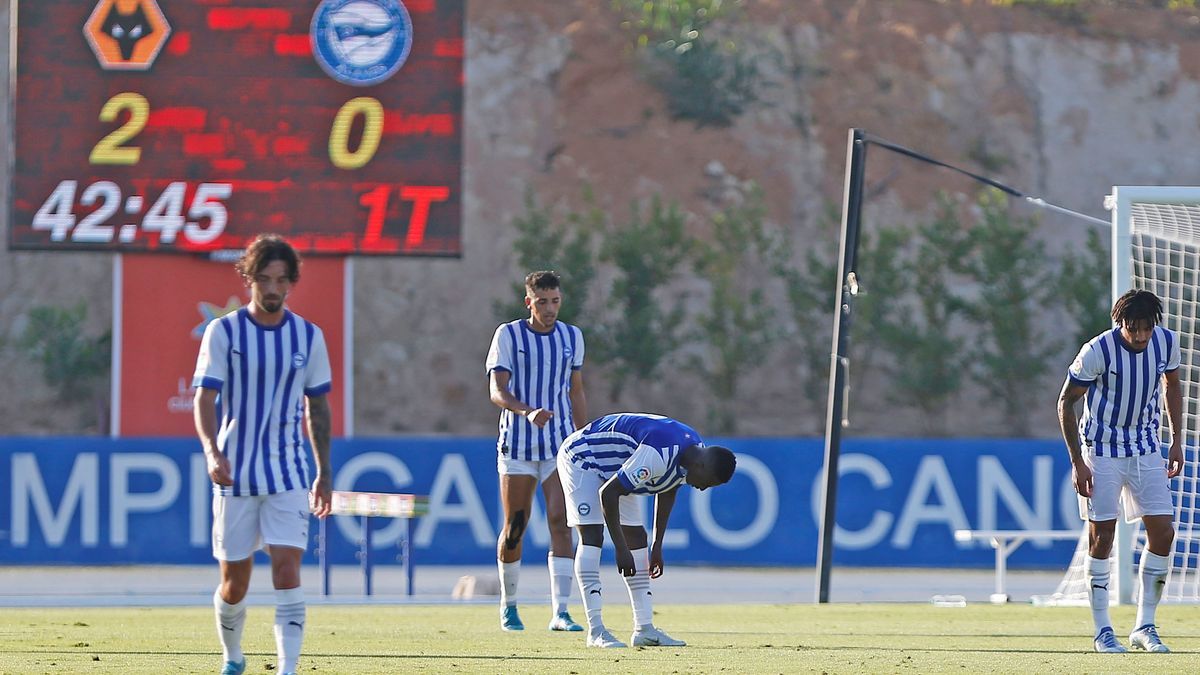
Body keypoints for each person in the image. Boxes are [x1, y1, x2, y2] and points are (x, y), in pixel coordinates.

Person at [193, 234, 333, 675]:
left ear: (291, 282)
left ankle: (287, 668)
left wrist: (324, 471)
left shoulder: (309, 337)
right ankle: (233, 657)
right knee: (234, 585)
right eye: (264, 280)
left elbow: (319, 406)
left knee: (287, 570)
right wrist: (212, 452)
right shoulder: (224, 332)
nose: (272, 289)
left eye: (281, 281)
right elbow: (204, 398)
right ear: (249, 279)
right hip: (235, 475)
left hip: (288, 474)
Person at [1058, 289, 1183, 654]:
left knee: (1163, 532)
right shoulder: (1097, 351)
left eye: (1146, 328)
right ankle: (1103, 632)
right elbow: (1066, 402)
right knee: (1103, 538)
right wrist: (1077, 461)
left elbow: (1172, 385)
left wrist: (1175, 440)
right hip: (1102, 451)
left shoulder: (1166, 343)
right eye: (1133, 329)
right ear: (1120, 323)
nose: (1141, 336)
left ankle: (1145, 625)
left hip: (1146, 448)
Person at [556, 412, 737, 648]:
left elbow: (669, 488)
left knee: (638, 538)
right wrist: (621, 549)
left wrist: (657, 544)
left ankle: (644, 629)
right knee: (592, 536)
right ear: (701, 466)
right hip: (583, 457)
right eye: (708, 482)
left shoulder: (694, 452)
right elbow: (608, 494)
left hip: (620, 463)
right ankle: (596, 631)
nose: (703, 489)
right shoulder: (657, 455)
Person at [485, 270, 589, 632]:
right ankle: (509, 605)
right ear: (528, 302)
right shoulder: (509, 335)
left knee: (561, 523)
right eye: (542, 302)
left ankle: (561, 611)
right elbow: (497, 391)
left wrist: (582, 438)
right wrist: (526, 411)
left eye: (555, 301)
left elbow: (575, 391)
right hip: (517, 445)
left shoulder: (572, 337)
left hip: (559, 446)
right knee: (516, 526)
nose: (549, 309)